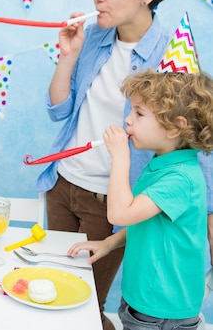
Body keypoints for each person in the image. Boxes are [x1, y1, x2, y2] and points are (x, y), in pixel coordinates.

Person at [33, 0, 197, 329]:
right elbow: (59, 110)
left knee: (87, 304)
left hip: (113, 198)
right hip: (64, 183)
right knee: (55, 290)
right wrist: (68, 57)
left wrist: (206, 217)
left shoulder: (170, 55)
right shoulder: (93, 39)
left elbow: (190, 142)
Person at [68, 69, 213, 330]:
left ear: (175, 127)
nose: (127, 120)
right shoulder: (162, 165)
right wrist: (109, 243)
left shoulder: (180, 179)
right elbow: (144, 220)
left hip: (161, 310)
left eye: (139, 113)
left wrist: (121, 157)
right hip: (143, 300)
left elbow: (120, 214)